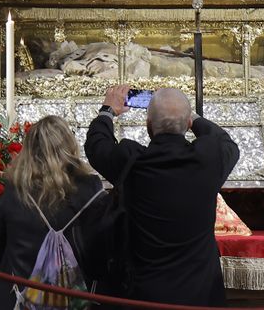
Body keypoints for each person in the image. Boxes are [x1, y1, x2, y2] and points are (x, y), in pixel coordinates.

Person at [85, 85, 239, 306]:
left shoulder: (132, 163)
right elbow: (225, 141)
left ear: (148, 125)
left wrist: (108, 110)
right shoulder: (209, 161)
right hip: (200, 295)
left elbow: (96, 145)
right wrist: (189, 114)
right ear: (187, 125)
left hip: (145, 297)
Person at [0, 115, 110, 310]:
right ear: (70, 146)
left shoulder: (15, 191)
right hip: (76, 302)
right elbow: (101, 257)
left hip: (19, 300)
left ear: (29, 150)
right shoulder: (91, 190)